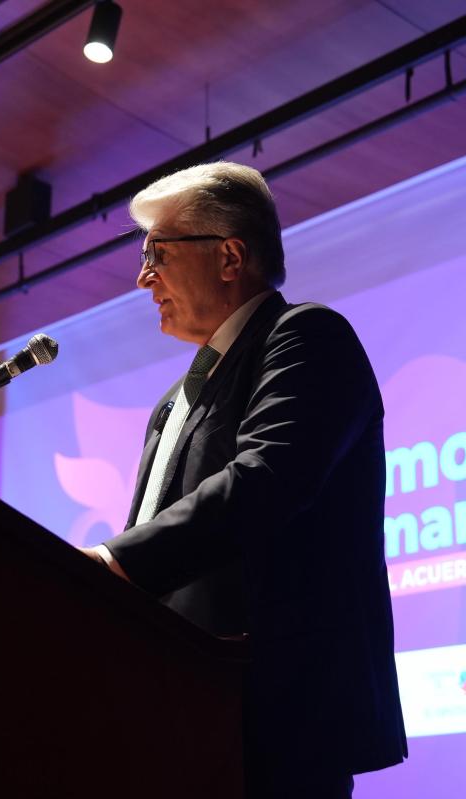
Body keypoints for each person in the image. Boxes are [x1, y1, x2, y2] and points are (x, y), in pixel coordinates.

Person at [78, 162, 407, 797]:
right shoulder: (174, 400)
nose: (142, 277)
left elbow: (265, 480)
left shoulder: (306, 337)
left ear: (230, 255)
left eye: (158, 252)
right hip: (176, 709)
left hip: (273, 709)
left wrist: (108, 564)